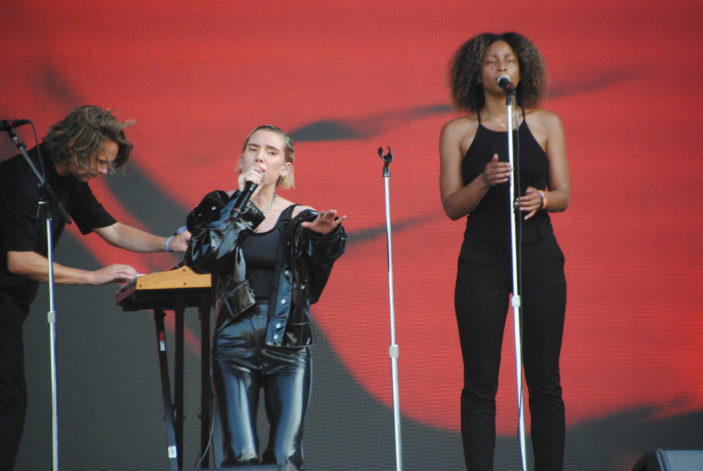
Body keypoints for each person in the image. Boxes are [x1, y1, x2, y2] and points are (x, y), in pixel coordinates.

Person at [0, 105, 190, 471]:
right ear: (75, 145)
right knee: (8, 401)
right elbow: (18, 260)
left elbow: (112, 229)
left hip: (12, 307)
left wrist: (168, 243)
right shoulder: (20, 179)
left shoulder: (69, 180)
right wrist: (92, 276)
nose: (104, 171)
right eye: (100, 161)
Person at [439, 33, 570, 470]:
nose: (501, 67)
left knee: (545, 380)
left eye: (509, 60)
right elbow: (451, 206)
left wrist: (542, 199)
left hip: (538, 251)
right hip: (482, 255)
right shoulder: (457, 131)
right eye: (492, 61)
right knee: (479, 382)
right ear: (476, 73)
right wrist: (483, 181)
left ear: (522, 70)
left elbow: (564, 194)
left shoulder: (546, 123)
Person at [185, 124, 346, 470]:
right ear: (241, 159)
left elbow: (316, 278)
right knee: (239, 455)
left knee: (285, 457)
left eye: (271, 152)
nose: (260, 157)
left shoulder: (300, 216)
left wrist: (324, 238)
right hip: (233, 338)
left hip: (288, 339)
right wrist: (241, 204)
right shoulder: (220, 206)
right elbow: (203, 258)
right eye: (253, 148)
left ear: (284, 168)